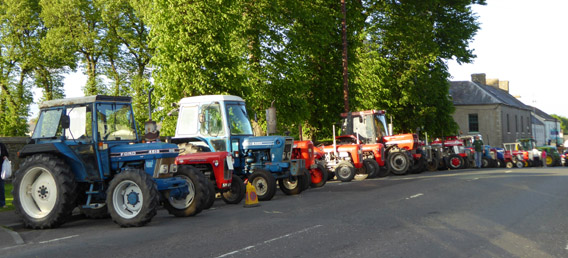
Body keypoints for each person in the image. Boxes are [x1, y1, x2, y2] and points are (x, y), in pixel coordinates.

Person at [0, 141, 8, 208]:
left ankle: (2, 203)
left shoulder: (2, 145)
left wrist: (5, 156)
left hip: (1, 169)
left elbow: (6, 154)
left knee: (1, 187)